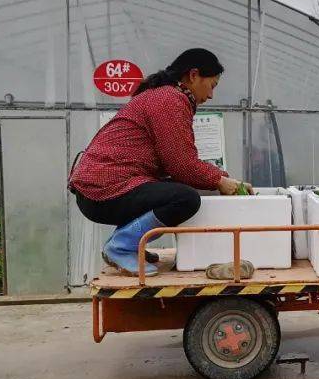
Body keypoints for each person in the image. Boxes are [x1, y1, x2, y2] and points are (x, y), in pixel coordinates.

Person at [69, 48, 253, 276]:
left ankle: (131, 244)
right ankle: (120, 247)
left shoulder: (162, 96)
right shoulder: (170, 100)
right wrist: (219, 180)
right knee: (185, 198)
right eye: (212, 85)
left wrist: (223, 179)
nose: (211, 95)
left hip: (98, 188)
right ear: (193, 75)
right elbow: (183, 166)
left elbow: (177, 163)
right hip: (103, 190)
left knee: (175, 189)